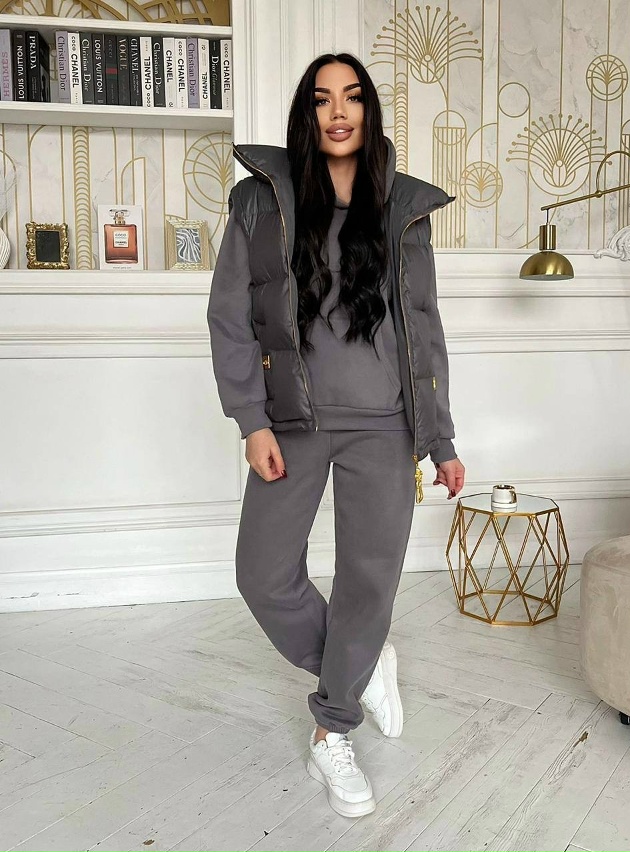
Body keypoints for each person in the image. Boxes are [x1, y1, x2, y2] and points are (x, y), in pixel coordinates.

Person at [207, 52, 465, 818]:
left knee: (367, 582)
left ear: (369, 111)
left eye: (352, 97)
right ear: (306, 113)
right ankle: (362, 665)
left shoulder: (403, 208)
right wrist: (251, 420)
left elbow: (425, 327)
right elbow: (230, 317)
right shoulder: (261, 201)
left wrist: (441, 440)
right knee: (262, 573)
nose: (339, 111)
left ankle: (333, 730)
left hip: (386, 427)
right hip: (294, 420)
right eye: (322, 99)